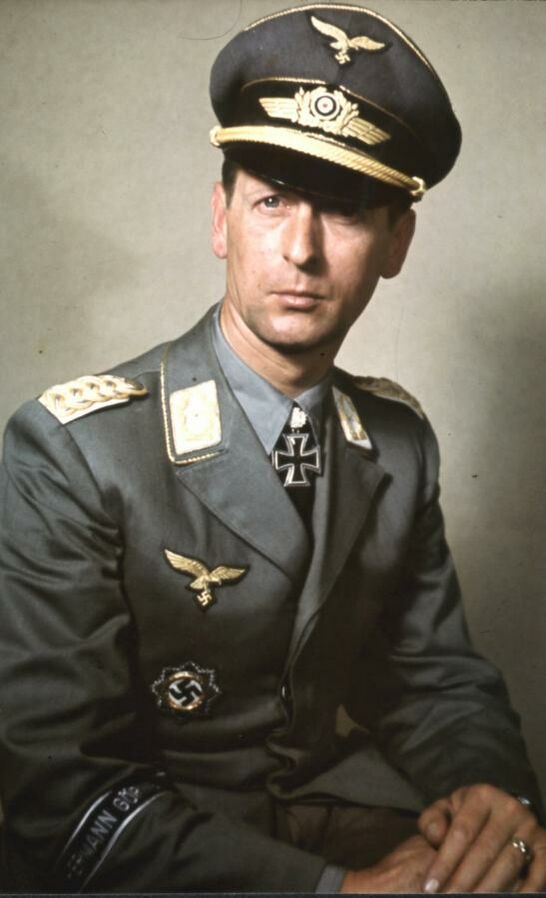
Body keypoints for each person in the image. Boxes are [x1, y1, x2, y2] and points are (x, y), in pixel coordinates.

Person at [0, 3, 545, 893]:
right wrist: (336, 892)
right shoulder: (75, 451)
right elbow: (63, 795)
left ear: (397, 241)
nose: (301, 249)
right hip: (164, 852)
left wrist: (493, 795)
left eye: (345, 211)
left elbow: (432, 678)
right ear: (222, 218)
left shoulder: (398, 443)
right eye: (272, 201)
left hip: (337, 809)